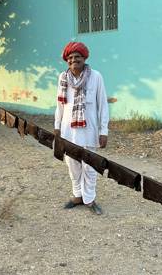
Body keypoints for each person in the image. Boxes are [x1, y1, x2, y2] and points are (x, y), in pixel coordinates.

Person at [54, 42, 109, 215]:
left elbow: (103, 105)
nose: (73, 60)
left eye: (77, 56)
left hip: (90, 131)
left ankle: (89, 198)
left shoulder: (96, 77)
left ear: (84, 58)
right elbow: (60, 106)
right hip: (68, 132)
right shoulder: (63, 78)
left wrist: (104, 131)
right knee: (73, 165)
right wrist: (57, 128)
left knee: (90, 167)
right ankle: (77, 195)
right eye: (70, 58)